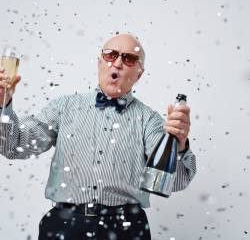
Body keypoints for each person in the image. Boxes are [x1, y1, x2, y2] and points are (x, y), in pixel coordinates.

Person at [0, 34, 196, 240]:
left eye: (129, 58)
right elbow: (14, 146)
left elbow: (176, 182)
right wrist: (3, 105)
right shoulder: (63, 107)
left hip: (126, 230)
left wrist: (180, 147)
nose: (118, 63)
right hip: (64, 227)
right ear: (99, 62)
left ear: (139, 74)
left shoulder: (150, 121)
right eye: (111, 55)